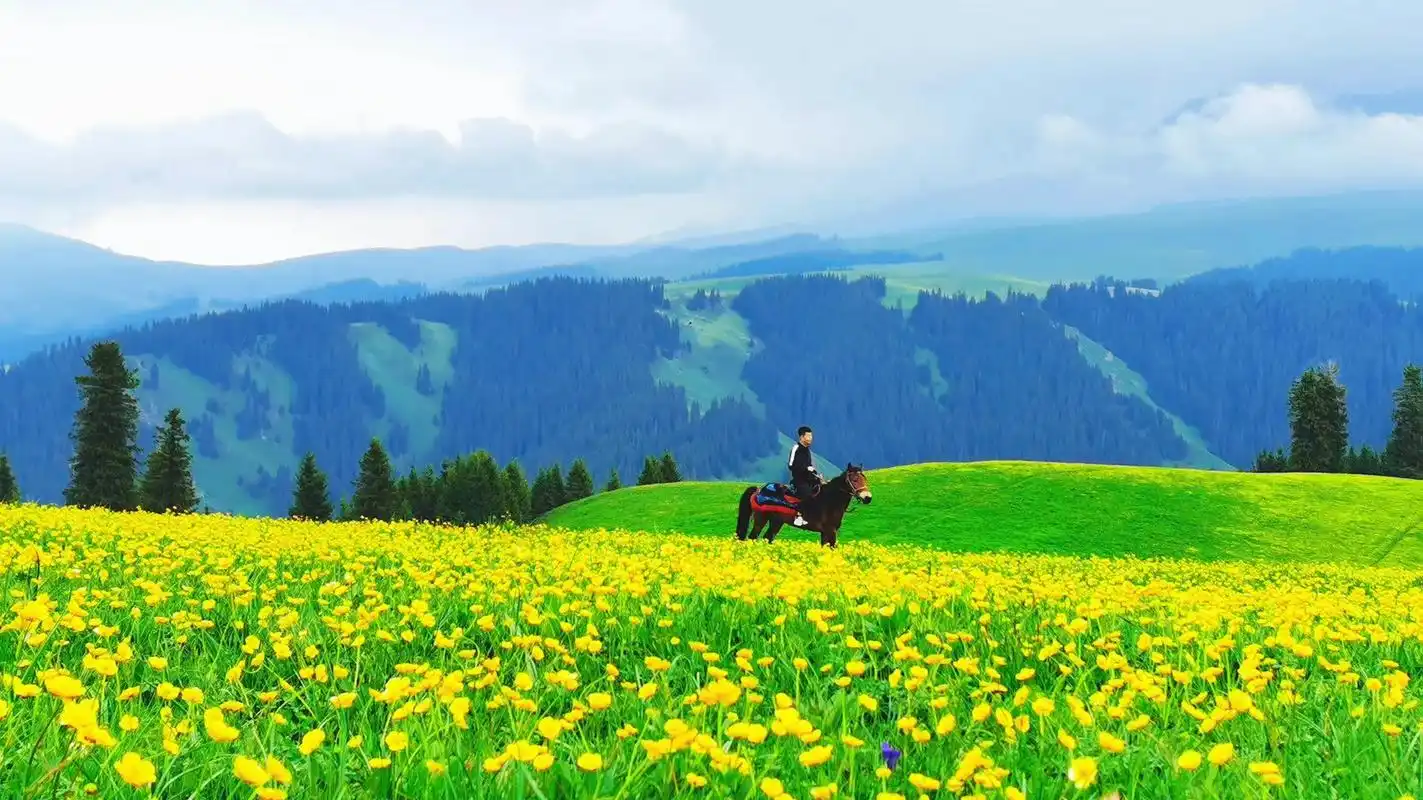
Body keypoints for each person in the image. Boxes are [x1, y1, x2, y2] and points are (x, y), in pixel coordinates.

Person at [787, 425, 822, 526]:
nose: (811, 438)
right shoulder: (796, 448)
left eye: (811, 436)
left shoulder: (807, 450)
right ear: (801, 437)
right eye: (808, 436)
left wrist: (816, 474)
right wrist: (805, 468)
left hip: (809, 478)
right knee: (807, 494)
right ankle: (799, 515)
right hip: (799, 479)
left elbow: (809, 465)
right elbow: (791, 465)